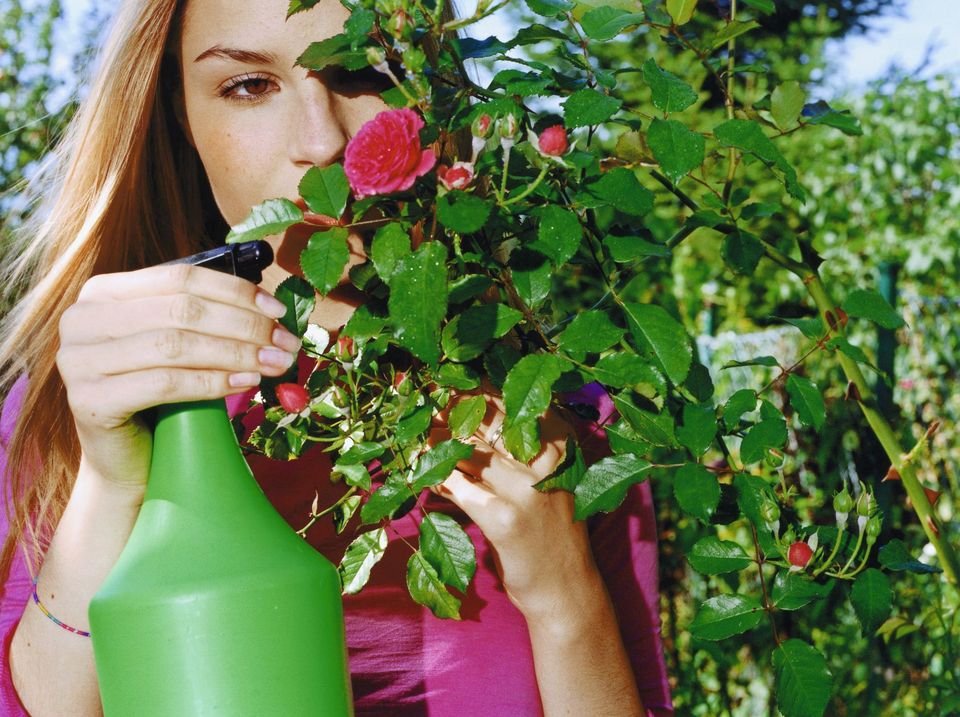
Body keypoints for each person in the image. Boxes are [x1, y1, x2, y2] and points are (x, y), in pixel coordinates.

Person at [0, 0, 674, 714]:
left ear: (435, 93)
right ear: (179, 118)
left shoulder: (559, 421)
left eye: (361, 71)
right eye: (248, 86)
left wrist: (563, 593)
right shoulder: (74, 412)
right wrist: (112, 483)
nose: (322, 142)